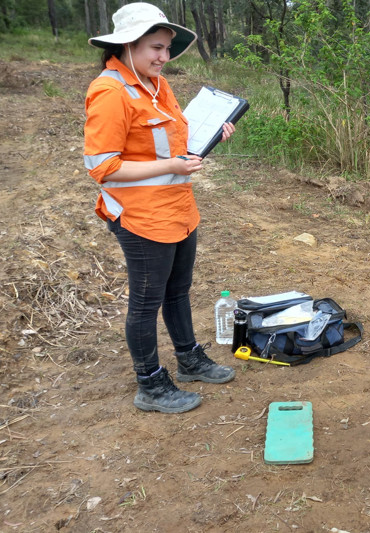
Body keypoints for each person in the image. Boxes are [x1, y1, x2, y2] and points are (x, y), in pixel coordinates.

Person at [84, 2, 237, 414]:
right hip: (140, 216)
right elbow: (102, 166)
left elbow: (172, 141)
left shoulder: (156, 84)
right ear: (128, 45)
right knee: (146, 302)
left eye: (168, 49)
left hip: (178, 208)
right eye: (156, 47)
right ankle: (150, 385)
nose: (163, 58)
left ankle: (188, 359)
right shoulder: (109, 92)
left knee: (178, 291)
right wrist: (171, 165)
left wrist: (208, 139)